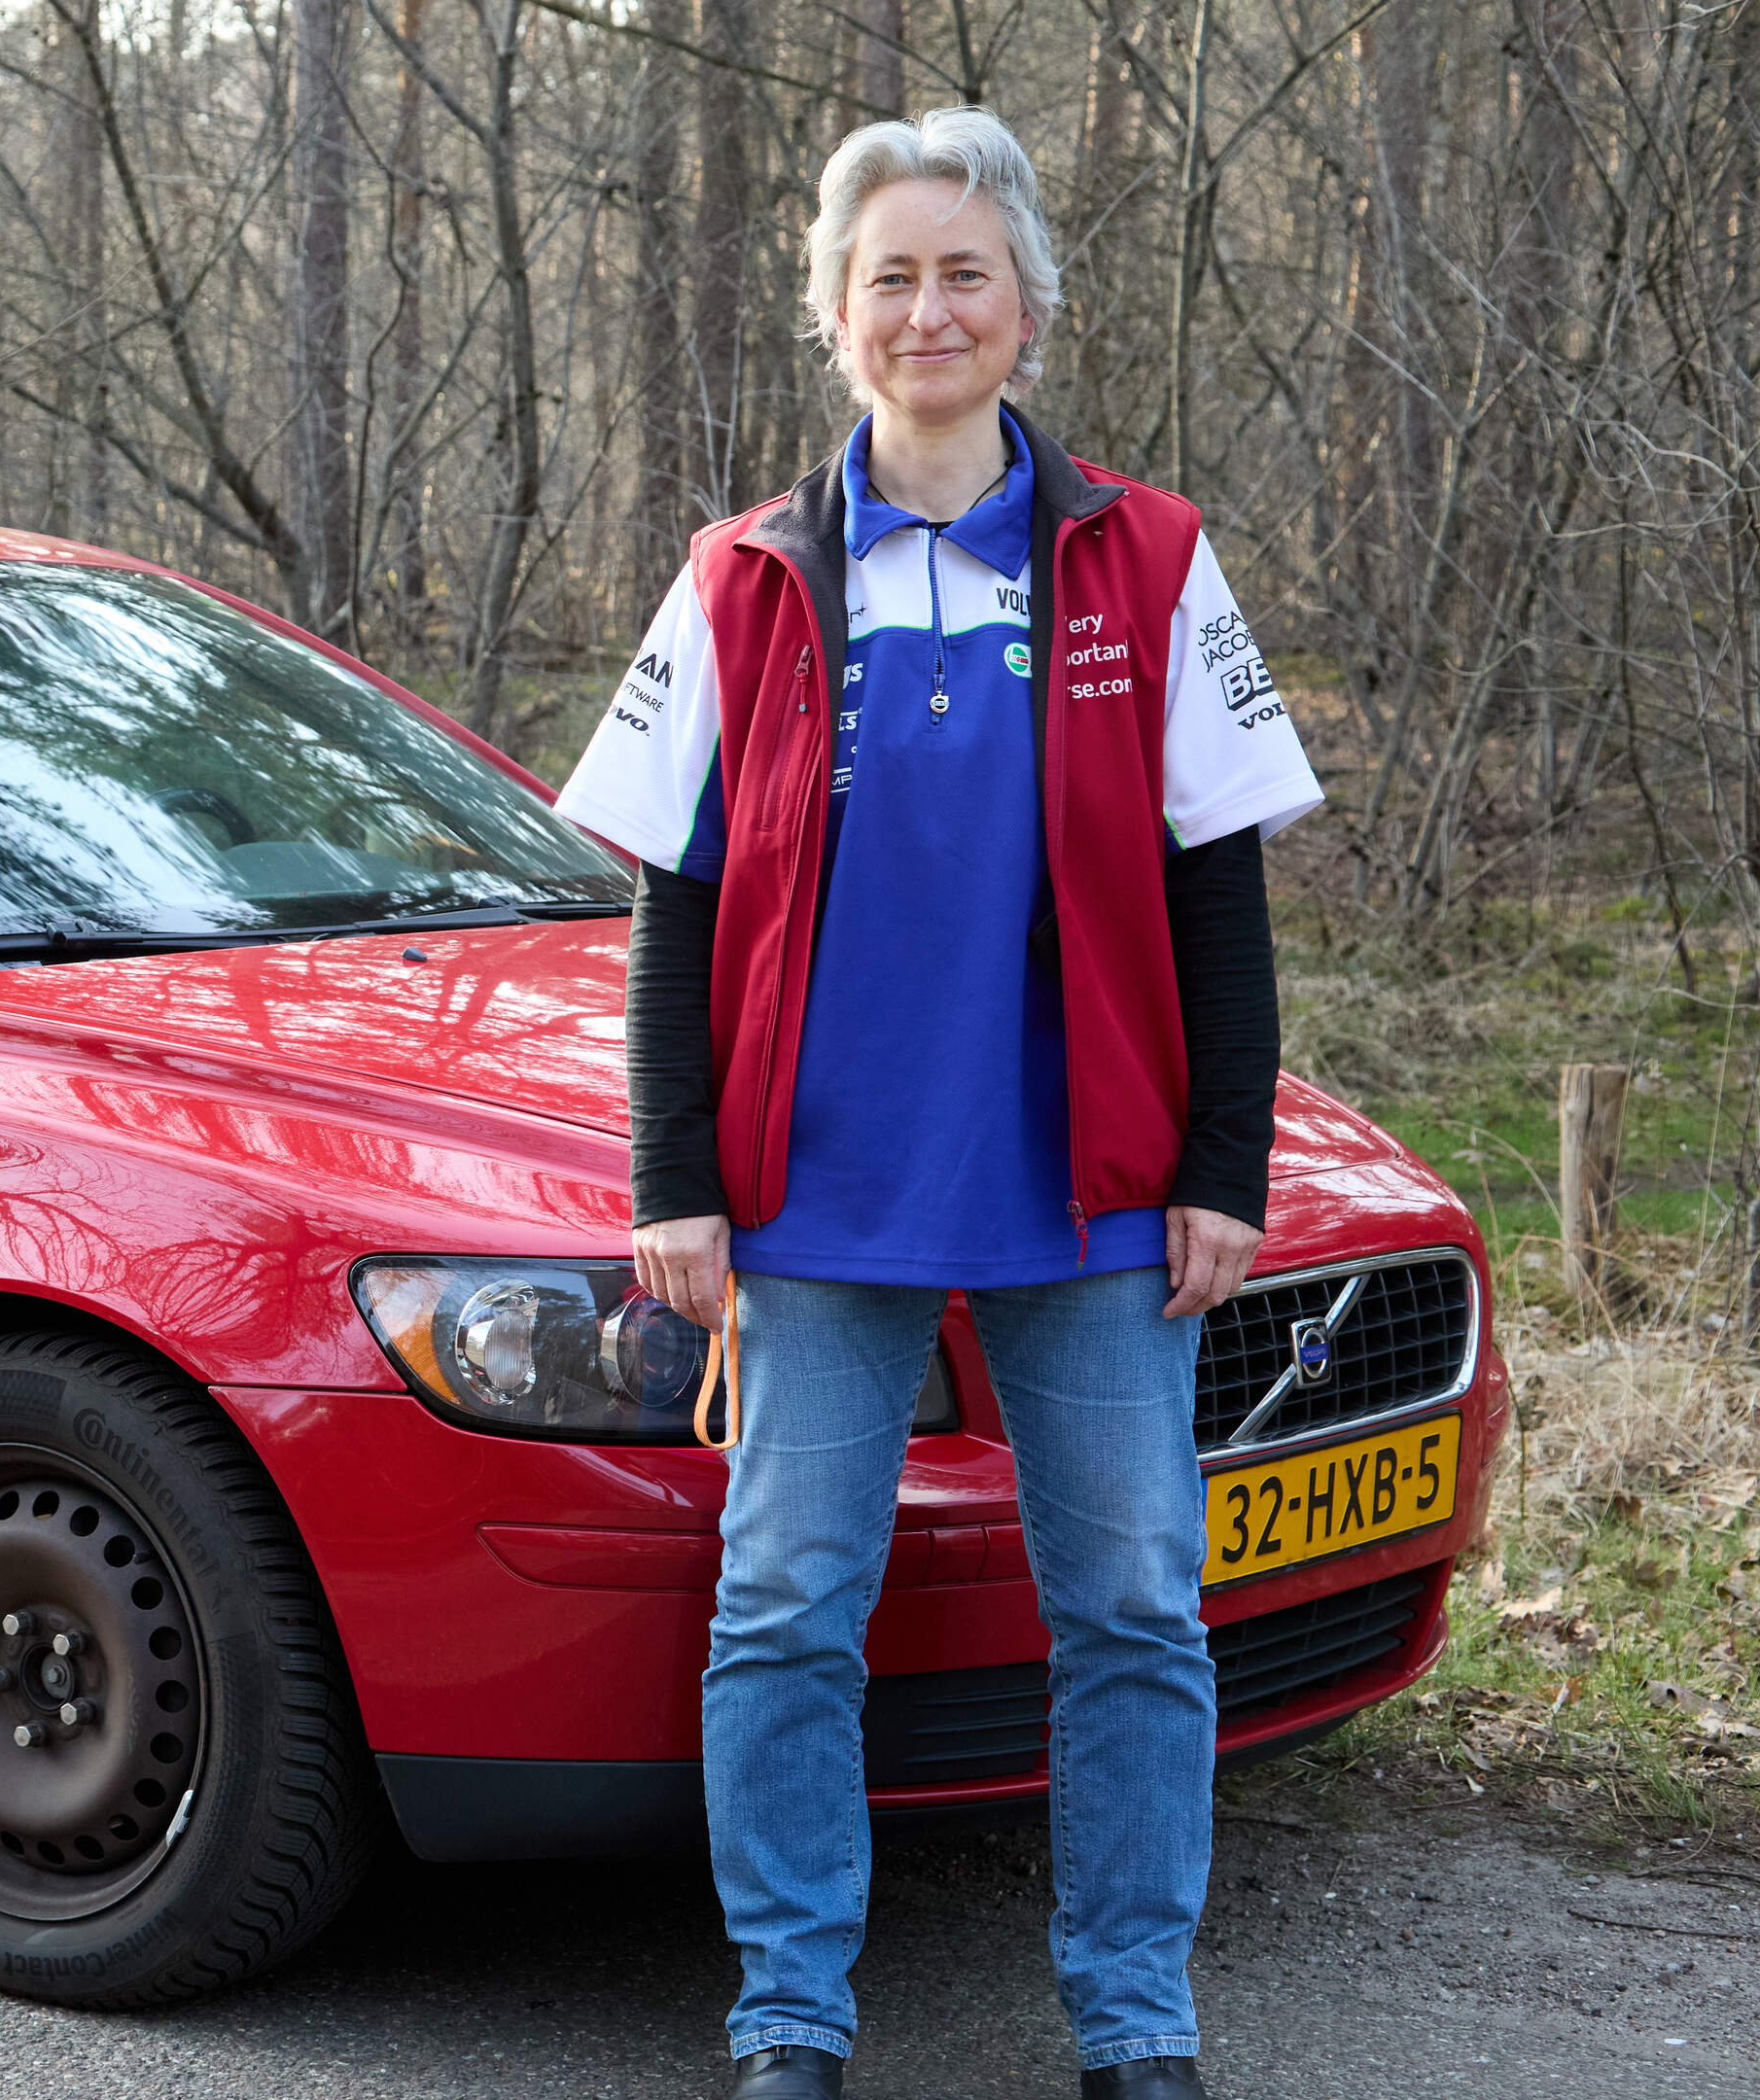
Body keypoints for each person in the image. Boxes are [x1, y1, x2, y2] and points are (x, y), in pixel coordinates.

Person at [556, 108, 1321, 2100]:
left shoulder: (1147, 561)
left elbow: (1212, 889)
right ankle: (793, 2015)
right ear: (832, 312)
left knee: (1140, 1610)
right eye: (888, 274)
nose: (928, 309)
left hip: (1089, 1202)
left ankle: (1135, 2023)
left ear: (1028, 311)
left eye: (963, 271)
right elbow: (677, 910)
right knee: (788, 1613)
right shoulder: (738, 583)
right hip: (813, 1204)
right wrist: (677, 1183)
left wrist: (1223, 1165)